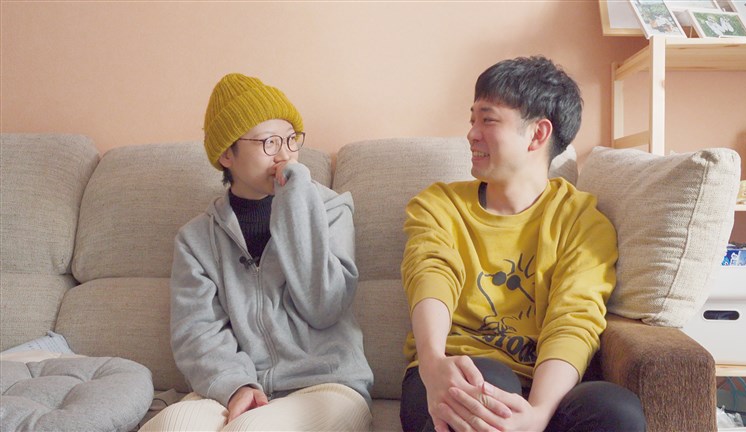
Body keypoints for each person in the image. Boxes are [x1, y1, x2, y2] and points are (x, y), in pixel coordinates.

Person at [399, 57, 647, 432]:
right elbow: (431, 275)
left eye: (488, 120)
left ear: (537, 134)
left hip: (545, 388)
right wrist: (432, 363)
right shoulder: (439, 205)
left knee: (616, 410)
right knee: (487, 385)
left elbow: (574, 319)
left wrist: (538, 414)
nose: (471, 134)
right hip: (452, 375)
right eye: (472, 119)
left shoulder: (581, 221)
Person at [141, 73, 373, 431]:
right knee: (169, 426)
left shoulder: (331, 210)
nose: (285, 154)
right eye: (269, 142)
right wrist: (236, 386)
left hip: (327, 385)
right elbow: (196, 332)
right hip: (236, 387)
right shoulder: (196, 239)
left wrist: (296, 201)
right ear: (226, 154)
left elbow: (325, 305)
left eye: (291, 139)